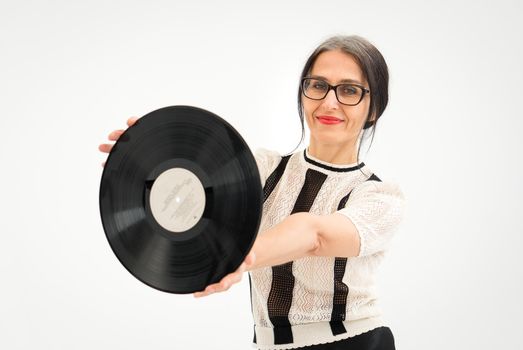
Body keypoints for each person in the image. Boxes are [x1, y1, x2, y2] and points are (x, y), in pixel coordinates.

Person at [99, 35, 406, 350]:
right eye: (317, 85)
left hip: (353, 343)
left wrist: (242, 258)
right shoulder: (264, 169)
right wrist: (145, 157)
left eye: (349, 90)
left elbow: (314, 234)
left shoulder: (380, 198)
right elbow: (198, 195)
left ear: (374, 109)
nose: (329, 102)